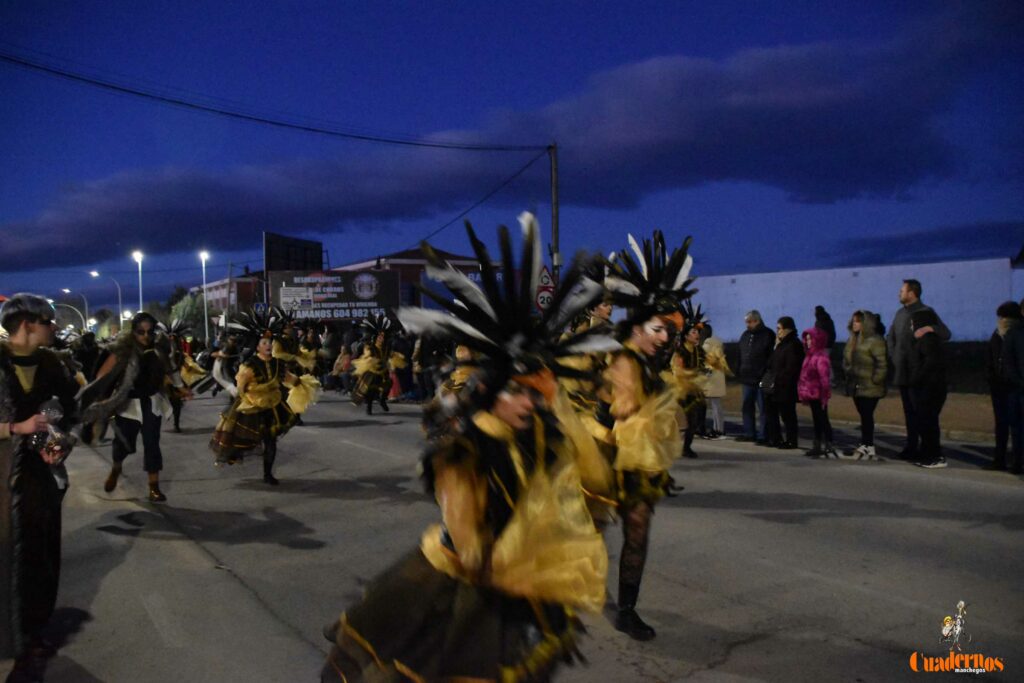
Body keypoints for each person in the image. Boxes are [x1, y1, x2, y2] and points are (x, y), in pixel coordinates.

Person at [320, 214, 612, 682]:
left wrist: (558, 401)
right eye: (517, 391)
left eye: (536, 393)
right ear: (491, 388)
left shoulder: (540, 434)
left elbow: (596, 478)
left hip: (518, 580)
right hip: (456, 579)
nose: (528, 403)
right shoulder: (462, 450)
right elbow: (470, 546)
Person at [603, 230, 696, 640]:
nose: (666, 338)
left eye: (671, 332)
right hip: (594, 456)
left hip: (637, 463)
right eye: (660, 329)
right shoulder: (613, 355)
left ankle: (626, 609)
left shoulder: (656, 364)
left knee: (637, 530)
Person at [0, 294, 80, 672]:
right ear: (27, 324)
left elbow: (71, 410)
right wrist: (14, 427)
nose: (53, 327)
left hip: (40, 476)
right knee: (8, 557)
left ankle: (33, 631)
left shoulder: (52, 365)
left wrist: (60, 443)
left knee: (41, 554)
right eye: (48, 321)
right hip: (3, 477)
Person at [210, 311, 320, 485]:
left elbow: (286, 377)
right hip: (252, 407)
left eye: (269, 342)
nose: (268, 345)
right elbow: (241, 386)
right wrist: (248, 395)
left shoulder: (277, 362)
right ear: (257, 346)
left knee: (270, 441)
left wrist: (299, 383)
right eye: (264, 343)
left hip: (273, 406)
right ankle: (231, 455)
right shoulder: (249, 365)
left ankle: (267, 474)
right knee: (243, 438)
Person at [81, 312, 179, 502]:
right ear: (134, 332)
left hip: (151, 402)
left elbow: (171, 368)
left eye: (149, 332)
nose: (145, 336)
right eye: (141, 332)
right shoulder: (122, 351)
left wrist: (180, 387)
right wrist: (102, 401)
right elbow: (102, 378)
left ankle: (154, 487)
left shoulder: (159, 350)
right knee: (124, 444)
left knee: (152, 443)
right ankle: (116, 467)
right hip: (128, 405)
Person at [887, 279, 951, 460]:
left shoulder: (926, 312)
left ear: (912, 293)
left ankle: (927, 449)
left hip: (919, 373)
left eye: (902, 290)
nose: (899, 293)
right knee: (909, 413)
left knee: (922, 413)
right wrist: (894, 356)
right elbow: (891, 337)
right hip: (903, 372)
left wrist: (930, 328)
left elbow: (945, 333)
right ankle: (911, 446)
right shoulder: (900, 313)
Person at [842, 310, 888, 459]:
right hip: (856, 384)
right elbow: (846, 359)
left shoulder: (875, 340)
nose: (854, 324)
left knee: (867, 415)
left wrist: (876, 380)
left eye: (858, 321)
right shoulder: (852, 339)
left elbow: (882, 363)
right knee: (863, 414)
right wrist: (848, 370)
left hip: (870, 385)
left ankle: (868, 445)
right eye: (854, 321)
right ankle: (865, 443)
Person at [909, 309, 948, 469]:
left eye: (913, 323)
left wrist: (916, 379)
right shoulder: (927, 340)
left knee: (928, 422)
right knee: (926, 422)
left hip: (930, 387)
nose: (911, 327)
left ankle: (935, 456)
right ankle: (928, 454)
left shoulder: (929, 340)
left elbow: (930, 363)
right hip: (929, 386)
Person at [988, 302, 1022, 470]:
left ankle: (1012, 460)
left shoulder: (1014, 333)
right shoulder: (999, 334)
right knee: (1006, 424)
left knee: (1013, 425)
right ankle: (1002, 459)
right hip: (1000, 385)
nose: (1001, 320)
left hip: (1010, 385)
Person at [672, 302, 707, 458]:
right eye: (693, 332)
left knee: (697, 417)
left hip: (694, 390)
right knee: (684, 419)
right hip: (681, 390)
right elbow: (678, 371)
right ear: (686, 335)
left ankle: (686, 446)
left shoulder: (699, 350)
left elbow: (703, 366)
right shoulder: (680, 351)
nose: (696, 334)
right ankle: (680, 446)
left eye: (697, 332)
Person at [763, 317, 803, 449]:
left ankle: (791, 440)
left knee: (787, 415)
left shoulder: (794, 344)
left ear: (787, 329)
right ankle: (775, 438)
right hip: (774, 385)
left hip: (785, 386)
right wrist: (775, 346)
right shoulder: (780, 344)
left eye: (779, 329)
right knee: (771, 412)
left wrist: (780, 379)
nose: (778, 331)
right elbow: (770, 363)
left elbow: (792, 367)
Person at [737, 310, 775, 443]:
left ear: (756, 321)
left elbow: (771, 356)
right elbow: (740, 353)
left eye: (749, 322)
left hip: (761, 378)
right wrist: (739, 370)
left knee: (763, 408)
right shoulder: (745, 335)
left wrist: (766, 373)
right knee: (747, 407)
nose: (747, 325)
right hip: (746, 378)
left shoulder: (768, 334)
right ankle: (749, 433)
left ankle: (763, 435)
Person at [350, 315, 400, 414]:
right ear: (376, 337)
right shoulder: (369, 346)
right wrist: (369, 358)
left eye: (383, 336)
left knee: (388, 384)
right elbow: (364, 355)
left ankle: (382, 400)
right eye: (380, 336)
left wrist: (394, 361)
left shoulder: (387, 346)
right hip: (371, 371)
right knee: (371, 390)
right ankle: (369, 407)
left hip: (383, 370)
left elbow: (390, 356)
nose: (382, 338)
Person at [798, 326, 835, 458]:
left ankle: (828, 444)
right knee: (817, 419)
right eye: (807, 339)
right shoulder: (810, 356)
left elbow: (824, 378)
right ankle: (818, 444)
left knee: (822, 418)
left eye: (811, 339)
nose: (808, 342)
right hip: (812, 393)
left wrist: (824, 394)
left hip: (819, 394)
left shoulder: (820, 357)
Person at [1001, 305, 1024, 474]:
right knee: (1017, 428)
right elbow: (1008, 362)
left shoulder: (1014, 332)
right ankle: (1018, 461)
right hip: (1018, 389)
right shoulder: (1015, 332)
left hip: (1017, 388)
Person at [701, 324, 731, 439]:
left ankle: (717, 430)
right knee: (717, 406)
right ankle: (718, 428)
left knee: (712, 407)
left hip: (710, 380)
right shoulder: (718, 344)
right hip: (718, 379)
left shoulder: (706, 346)